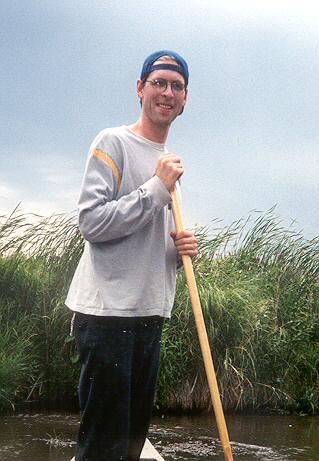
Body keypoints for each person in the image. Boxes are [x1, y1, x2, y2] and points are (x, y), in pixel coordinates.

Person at [66, 49, 198, 461]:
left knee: (132, 444)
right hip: (107, 317)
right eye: (158, 82)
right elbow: (92, 223)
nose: (167, 92)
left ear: (186, 98)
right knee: (103, 447)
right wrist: (156, 190)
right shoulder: (113, 142)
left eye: (176, 86)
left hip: (148, 316)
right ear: (140, 89)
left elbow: (139, 240)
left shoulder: (169, 165)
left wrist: (178, 252)